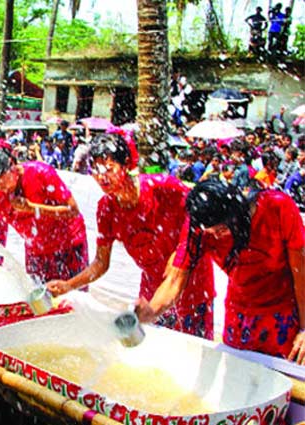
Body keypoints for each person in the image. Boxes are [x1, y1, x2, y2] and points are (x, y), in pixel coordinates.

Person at [48, 134, 215, 338]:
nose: (102, 177)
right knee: (151, 351)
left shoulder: (163, 187)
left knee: (192, 351)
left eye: (109, 168)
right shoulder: (106, 209)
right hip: (152, 292)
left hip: (192, 288)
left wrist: (182, 251)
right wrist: (68, 285)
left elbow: (203, 212)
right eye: (96, 170)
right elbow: (101, 263)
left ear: (126, 164)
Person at [137, 180, 305, 363]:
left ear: (236, 211)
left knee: (282, 375)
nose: (216, 236)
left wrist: (304, 329)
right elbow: (174, 281)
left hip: (282, 312)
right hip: (239, 314)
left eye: (222, 229)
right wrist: (151, 311)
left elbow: (301, 271)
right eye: (211, 232)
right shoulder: (199, 227)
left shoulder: (277, 207)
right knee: (238, 372)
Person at [0, 148, 88, 285]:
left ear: (12, 165)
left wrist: (32, 208)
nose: (1, 187)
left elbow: (73, 210)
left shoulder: (40, 173)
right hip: (36, 250)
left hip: (69, 244)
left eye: (2, 180)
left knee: (73, 294)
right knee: (37, 293)